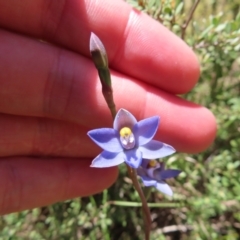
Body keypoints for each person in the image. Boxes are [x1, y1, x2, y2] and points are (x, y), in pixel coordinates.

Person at [0, 0, 216, 215]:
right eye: (125, 135)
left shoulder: (145, 142)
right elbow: (107, 152)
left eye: (129, 133)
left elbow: (152, 146)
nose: (127, 136)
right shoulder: (112, 147)